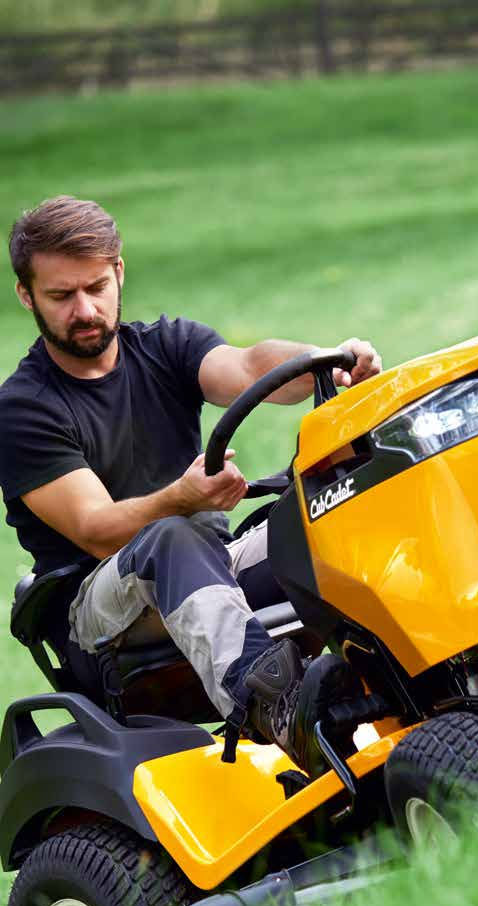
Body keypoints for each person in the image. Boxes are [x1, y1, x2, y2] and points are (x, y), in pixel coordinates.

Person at [0, 196, 382, 767]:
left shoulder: (165, 346)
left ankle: (433, 670)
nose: (85, 309)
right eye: (61, 296)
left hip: (207, 564)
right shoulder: (23, 408)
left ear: (118, 272)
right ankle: (276, 708)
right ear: (26, 295)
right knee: (171, 535)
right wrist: (180, 498)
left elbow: (250, 368)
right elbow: (97, 530)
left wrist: (323, 360)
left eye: (96, 287)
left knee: (329, 509)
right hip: (97, 612)